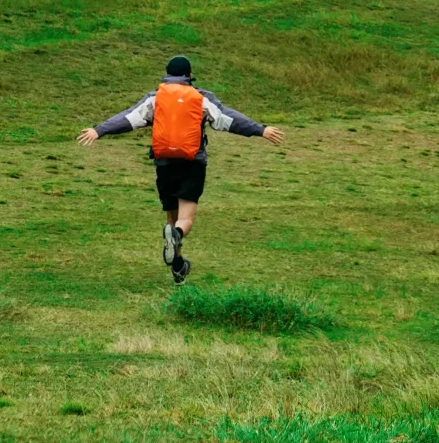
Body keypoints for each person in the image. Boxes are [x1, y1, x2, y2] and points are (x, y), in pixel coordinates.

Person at [76, 56, 284, 283]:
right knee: (184, 220)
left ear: (166, 73)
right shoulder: (201, 97)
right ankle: (176, 235)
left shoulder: (155, 97)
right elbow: (228, 119)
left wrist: (99, 130)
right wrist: (259, 130)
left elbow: (129, 118)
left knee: (171, 216)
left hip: (164, 165)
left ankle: (178, 267)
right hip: (192, 164)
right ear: (190, 75)